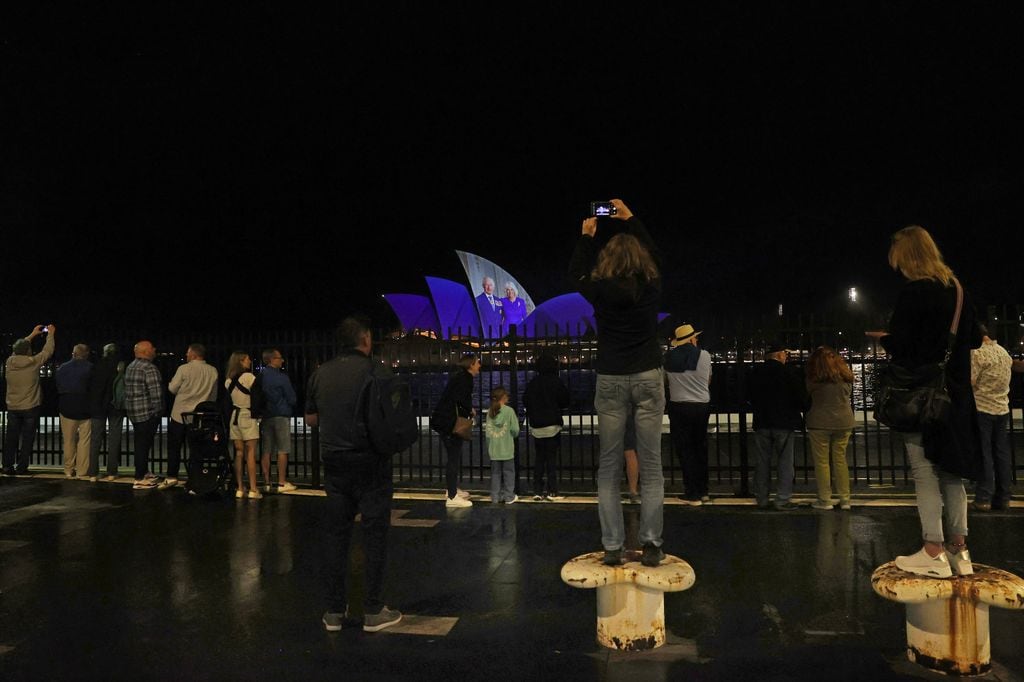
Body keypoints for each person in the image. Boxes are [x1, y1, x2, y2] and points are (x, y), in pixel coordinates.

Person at [866, 225, 982, 578]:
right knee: (952, 472)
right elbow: (975, 339)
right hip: (956, 395)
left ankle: (932, 551)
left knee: (924, 470)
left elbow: (903, 345)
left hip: (923, 396)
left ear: (908, 257)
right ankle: (959, 552)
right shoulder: (957, 289)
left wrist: (887, 339)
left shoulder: (914, 292)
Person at [569, 197, 667, 568]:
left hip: (610, 376)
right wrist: (631, 220)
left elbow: (575, 273)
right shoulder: (652, 285)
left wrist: (586, 237)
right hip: (647, 375)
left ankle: (612, 546)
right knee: (652, 464)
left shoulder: (599, 289)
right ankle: (652, 544)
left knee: (609, 465)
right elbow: (658, 256)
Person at [305, 315, 402, 633]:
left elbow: (311, 420)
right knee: (375, 535)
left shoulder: (320, 374)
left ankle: (334, 610)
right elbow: (393, 415)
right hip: (371, 462)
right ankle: (373, 610)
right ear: (366, 339)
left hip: (334, 463)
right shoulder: (376, 370)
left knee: (336, 536)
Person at [748, 342, 805, 511]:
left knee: (762, 461)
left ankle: (762, 498)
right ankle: (782, 499)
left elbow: (748, 395)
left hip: (762, 421)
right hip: (784, 422)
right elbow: (801, 397)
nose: (786, 357)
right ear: (780, 355)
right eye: (785, 354)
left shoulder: (755, 372)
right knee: (785, 462)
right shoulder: (789, 372)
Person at [664, 323, 713, 506]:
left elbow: (665, 382)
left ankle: (691, 492)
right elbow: (708, 380)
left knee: (685, 450)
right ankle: (704, 490)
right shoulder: (705, 355)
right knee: (700, 447)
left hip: (678, 407)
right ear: (691, 339)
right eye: (695, 338)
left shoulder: (668, 358)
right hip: (701, 406)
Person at [804, 346, 855, 511]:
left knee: (822, 462)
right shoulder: (846, 378)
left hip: (819, 423)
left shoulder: (814, 379)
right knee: (840, 460)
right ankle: (845, 499)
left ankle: (825, 499)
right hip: (844, 422)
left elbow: (807, 395)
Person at [970, 324, 1013, 512]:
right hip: (1002, 408)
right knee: (1001, 453)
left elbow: (970, 382)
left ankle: (983, 497)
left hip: (982, 408)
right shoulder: (1003, 352)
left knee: (984, 454)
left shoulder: (977, 354)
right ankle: (1003, 497)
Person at [164, 343, 218, 490]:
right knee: (196, 448)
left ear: (194, 354)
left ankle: (171, 476)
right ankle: (195, 478)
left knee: (174, 446)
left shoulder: (184, 369)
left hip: (179, 414)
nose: (186, 355)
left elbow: (172, 388)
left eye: (188, 353)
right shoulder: (212, 371)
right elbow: (212, 396)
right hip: (198, 416)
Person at [430, 353, 481, 508]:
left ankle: (451, 489)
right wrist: (471, 410)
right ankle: (452, 497)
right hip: (449, 424)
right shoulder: (466, 379)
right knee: (453, 458)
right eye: (478, 362)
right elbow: (461, 399)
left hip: (443, 421)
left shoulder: (459, 377)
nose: (479, 365)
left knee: (453, 457)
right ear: (471, 365)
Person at [3, 325, 55, 476]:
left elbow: (18, 349)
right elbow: (48, 351)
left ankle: (7, 466)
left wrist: (31, 335)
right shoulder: (33, 362)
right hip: (30, 406)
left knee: (11, 438)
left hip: (13, 407)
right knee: (27, 438)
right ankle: (22, 466)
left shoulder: (10, 362)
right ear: (28, 350)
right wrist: (50, 334)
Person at [522, 353, 570, 501]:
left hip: (537, 426)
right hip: (552, 425)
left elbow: (525, 400)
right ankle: (552, 490)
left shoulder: (533, 383)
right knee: (551, 459)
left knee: (539, 459)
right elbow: (565, 401)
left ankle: (537, 490)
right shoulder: (556, 382)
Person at [124, 340, 164, 489]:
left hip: (133, 412)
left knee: (140, 443)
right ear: (146, 351)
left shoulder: (130, 366)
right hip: (147, 413)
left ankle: (144, 472)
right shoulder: (149, 368)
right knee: (143, 445)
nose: (155, 350)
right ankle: (140, 477)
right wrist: (158, 411)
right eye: (153, 348)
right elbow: (156, 394)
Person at [224, 351, 262, 499]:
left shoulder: (228, 381)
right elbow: (258, 395)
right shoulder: (249, 377)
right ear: (241, 361)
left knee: (239, 453)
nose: (250, 361)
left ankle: (240, 487)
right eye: (247, 359)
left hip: (234, 416)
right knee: (251, 452)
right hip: (247, 415)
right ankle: (253, 488)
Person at [260, 347, 298, 493]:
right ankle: (281, 483)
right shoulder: (281, 377)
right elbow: (291, 398)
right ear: (271, 359)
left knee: (267, 450)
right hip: (281, 414)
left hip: (266, 415)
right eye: (279, 358)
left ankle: (267, 482)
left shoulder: (261, 376)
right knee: (283, 449)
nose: (282, 360)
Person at [87, 343, 126, 481]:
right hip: (115, 406)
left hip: (97, 406)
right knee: (114, 438)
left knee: (95, 438)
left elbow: (91, 386)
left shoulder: (97, 365)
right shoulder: (120, 366)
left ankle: (93, 472)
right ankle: (112, 472)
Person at [56, 343, 93, 480]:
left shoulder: (62, 368)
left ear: (73, 353)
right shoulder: (90, 368)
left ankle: (68, 469)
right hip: (85, 407)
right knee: (84, 440)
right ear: (86, 354)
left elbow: (58, 386)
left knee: (68, 440)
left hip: (66, 406)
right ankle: (82, 471)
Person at [485, 386, 520, 503]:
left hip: (494, 450)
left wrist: (489, 447)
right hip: (507, 449)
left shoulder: (490, 412)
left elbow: (488, 434)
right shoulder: (509, 411)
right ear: (504, 397)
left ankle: (495, 496)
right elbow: (515, 430)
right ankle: (509, 496)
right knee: (509, 473)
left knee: (495, 474)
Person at [622, 412, 641, 504]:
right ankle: (634, 491)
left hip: (623, 412)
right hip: (640, 413)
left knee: (628, 450)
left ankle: (633, 491)